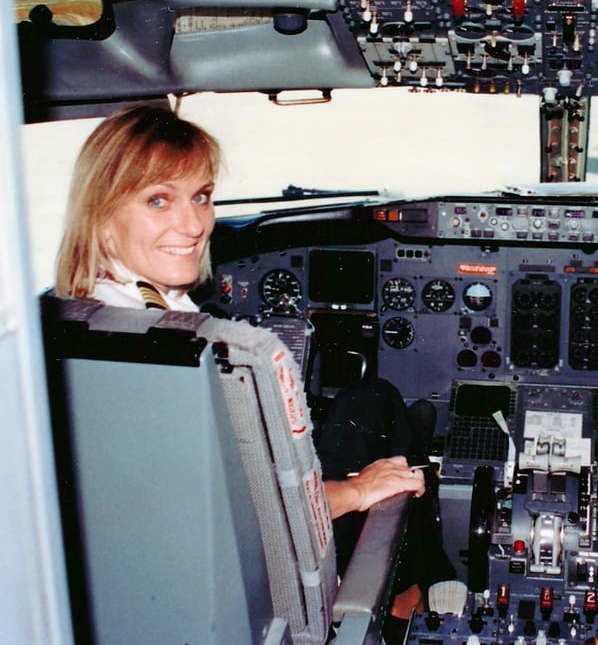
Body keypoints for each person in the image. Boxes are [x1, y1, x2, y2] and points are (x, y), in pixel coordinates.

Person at [53, 105, 437, 616]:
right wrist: (360, 489)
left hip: (199, 554)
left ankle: (421, 576)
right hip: (270, 571)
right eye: (158, 200)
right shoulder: (152, 354)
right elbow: (252, 518)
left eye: (201, 197)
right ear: (101, 217)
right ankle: (413, 591)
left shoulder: (89, 317)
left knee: (366, 399)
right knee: (383, 411)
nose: (192, 225)